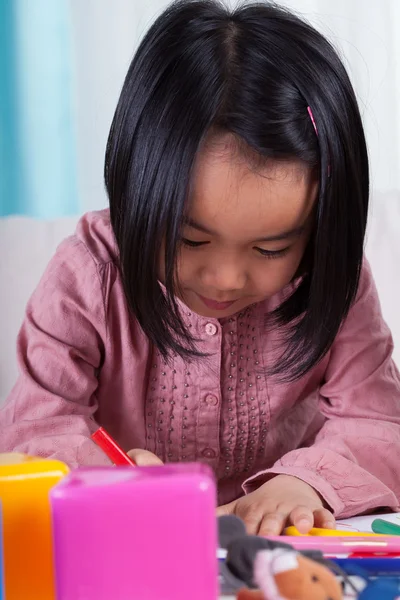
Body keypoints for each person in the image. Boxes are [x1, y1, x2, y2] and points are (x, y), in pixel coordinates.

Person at [1, 0, 400, 536]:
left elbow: (378, 422)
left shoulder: (333, 278)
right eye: (191, 238)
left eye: (270, 250)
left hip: (282, 553)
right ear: (136, 190)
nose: (226, 278)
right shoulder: (88, 275)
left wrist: (306, 484)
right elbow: (34, 433)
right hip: (130, 543)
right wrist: (108, 484)